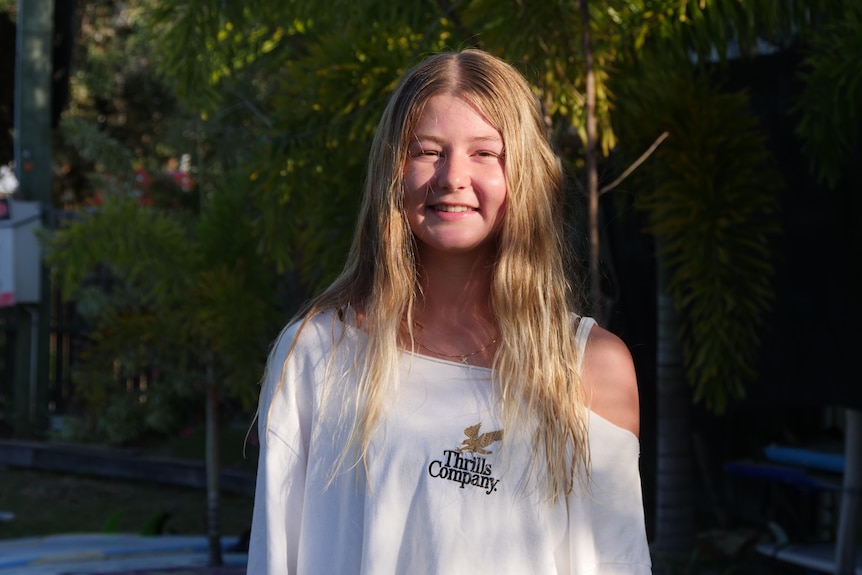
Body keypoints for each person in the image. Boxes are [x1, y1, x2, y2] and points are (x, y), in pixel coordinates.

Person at [247, 48, 651, 574]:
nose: (452, 177)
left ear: (524, 176)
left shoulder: (588, 366)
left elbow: (615, 563)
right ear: (392, 172)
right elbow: (276, 555)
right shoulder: (316, 354)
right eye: (427, 151)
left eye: (485, 153)